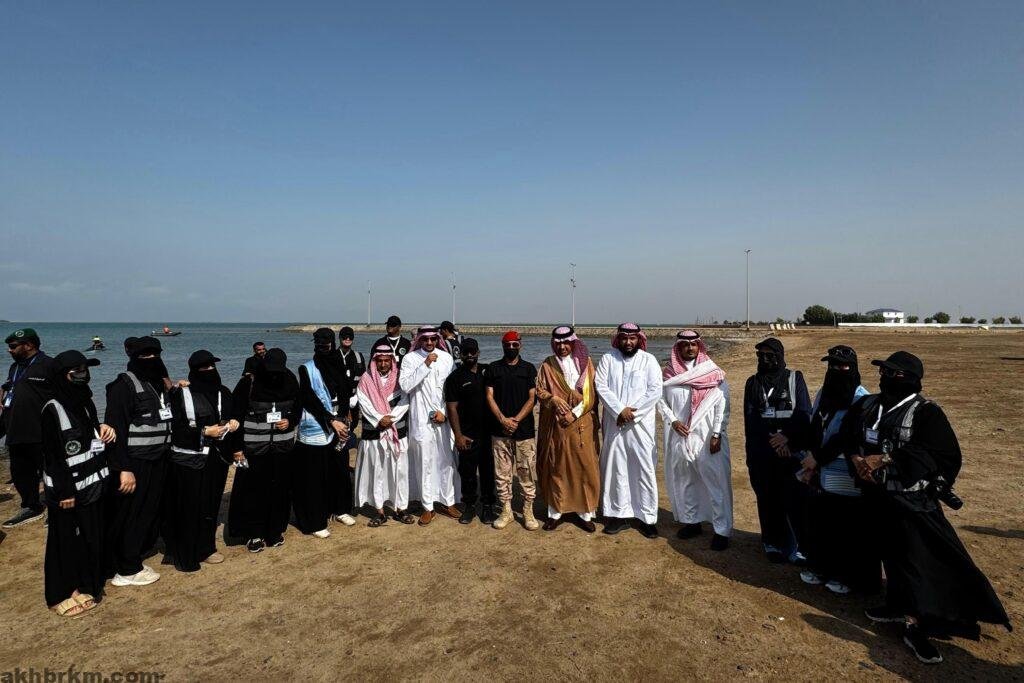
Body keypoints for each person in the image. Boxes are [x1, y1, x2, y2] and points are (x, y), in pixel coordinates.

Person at [837, 351, 1011, 664]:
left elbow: (942, 454)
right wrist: (857, 460)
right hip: (876, 498)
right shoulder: (868, 405)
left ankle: (917, 626)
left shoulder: (927, 413)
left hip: (911, 503)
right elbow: (848, 434)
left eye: (893, 373)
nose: (885, 378)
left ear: (911, 379)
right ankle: (896, 606)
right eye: (883, 372)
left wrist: (887, 459)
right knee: (890, 554)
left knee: (916, 563)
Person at [797, 345, 879, 595]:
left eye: (843, 366)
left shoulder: (861, 399)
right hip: (821, 471)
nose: (837, 370)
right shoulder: (824, 392)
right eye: (832, 365)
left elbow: (847, 437)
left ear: (853, 367)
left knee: (847, 527)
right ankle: (820, 568)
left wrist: (817, 458)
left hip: (846, 473)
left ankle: (846, 576)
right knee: (822, 522)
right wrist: (810, 458)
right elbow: (815, 425)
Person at [39, 350, 116, 617]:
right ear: (63, 376)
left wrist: (103, 429)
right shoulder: (52, 408)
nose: (84, 375)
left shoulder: (85, 400)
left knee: (89, 537)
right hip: (66, 490)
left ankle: (86, 585)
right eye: (78, 371)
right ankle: (60, 593)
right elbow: (52, 456)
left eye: (86, 369)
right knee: (63, 541)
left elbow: (90, 433)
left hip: (92, 484)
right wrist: (64, 492)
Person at [104, 336, 174, 587]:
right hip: (135, 463)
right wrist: (124, 468)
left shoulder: (158, 384)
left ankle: (136, 552)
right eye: (144, 356)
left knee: (149, 511)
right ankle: (127, 568)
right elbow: (117, 431)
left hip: (159, 458)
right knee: (131, 514)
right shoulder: (123, 386)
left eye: (155, 355)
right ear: (134, 358)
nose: (151, 360)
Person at [164, 351, 238, 571]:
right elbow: (173, 427)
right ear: (194, 370)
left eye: (212, 366)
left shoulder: (223, 392)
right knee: (189, 506)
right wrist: (204, 431)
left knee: (211, 505)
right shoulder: (181, 393)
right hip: (189, 459)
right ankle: (185, 554)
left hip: (217, 458)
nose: (209, 371)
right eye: (204, 368)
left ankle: (206, 548)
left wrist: (233, 423)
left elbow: (232, 414)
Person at [658, 330, 732, 550]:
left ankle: (722, 530)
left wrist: (717, 433)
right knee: (686, 481)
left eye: (693, 344)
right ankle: (692, 522)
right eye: (685, 345)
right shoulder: (669, 375)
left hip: (708, 437)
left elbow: (722, 404)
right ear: (678, 348)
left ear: (699, 346)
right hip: (680, 436)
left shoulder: (712, 372)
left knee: (716, 483)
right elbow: (660, 401)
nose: (689, 348)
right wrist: (673, 421)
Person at [742, 337, 812, 564]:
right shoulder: (753, 383)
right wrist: (772, 442)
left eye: (770, 355)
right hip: (763, 452)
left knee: (795, 499)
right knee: (767, 498)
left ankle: (799, 546)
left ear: (780, 356)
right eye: (761, 355)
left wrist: (787, 440)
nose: (765, 359)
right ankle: (771, 542)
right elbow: (751, 420)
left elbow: (804, 413)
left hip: (791, 451)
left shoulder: (794, 378)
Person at [227, 348, 299, 553]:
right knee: (253, 492)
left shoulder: (290, 380)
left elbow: (298, 407)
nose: (274, 374)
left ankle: (274, 530)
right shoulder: (248, 383)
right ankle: (254, 533)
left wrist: (290, 420)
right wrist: (236, 448)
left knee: (279, 490)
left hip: (282, 448)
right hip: (253, 449)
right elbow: (235, 415)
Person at [594, 323, 663, 538]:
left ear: (639, 339)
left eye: (632, 338)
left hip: (641, 426)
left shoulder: (649, 360)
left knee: (644, 469)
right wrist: (619, 411)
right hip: (615, 424)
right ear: (619, 339)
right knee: (616, 468)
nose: (628, 342)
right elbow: (601, 386)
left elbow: (655, 390)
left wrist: (632, 413)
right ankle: (618, 515)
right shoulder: (608, 359)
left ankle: (647, 518)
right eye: (624, 338)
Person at [535, 326, 601, 533]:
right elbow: (539, 390)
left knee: (585, 466)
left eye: (566, 342)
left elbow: (592, 395)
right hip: (557, 424)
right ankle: (555, 513)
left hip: (581, 423)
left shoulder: (586, 363)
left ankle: (585, 514)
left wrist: (575, 413)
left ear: (573, 343)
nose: (562, 347)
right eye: (558, 343)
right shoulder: (547, 365)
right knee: (557, 466)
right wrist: (552, 399)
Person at [293, 328, 352, 538]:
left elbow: (345, 392)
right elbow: (309, 399)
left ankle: (339, 509)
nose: (323, 347)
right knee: (316, 475)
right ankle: (316, 520)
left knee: (339, 469)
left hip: (340, 424)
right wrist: (331, 420)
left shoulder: (338, 363)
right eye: (319, 344)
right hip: (317, 426)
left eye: (326, 344)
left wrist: (343, 417)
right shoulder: (306, 369)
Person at [398, 325, 460, 525]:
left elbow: (451, 389)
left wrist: (444, 413)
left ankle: (448, 501)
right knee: (424, 462)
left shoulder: (446, 358)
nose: (430, 343)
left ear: (437, 339)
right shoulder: (410, 359)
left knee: (446, 460)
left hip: (443, 418)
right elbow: (405, 386)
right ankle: (427, 506)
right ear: (420, 340)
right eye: (425, 339)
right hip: (420, 419)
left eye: (433, 339)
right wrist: (424, 365)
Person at [354, 343, 414, 526]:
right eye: (379, 361)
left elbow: (405, 400)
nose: (383, 364)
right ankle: (379, 511)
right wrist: (380, 419)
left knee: (400, 472)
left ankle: (401, 508)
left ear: (391, 361)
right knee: (377, 472)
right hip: (374, 433)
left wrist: (391, 419)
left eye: (386, 360)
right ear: (374, 361)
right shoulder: (366, 379)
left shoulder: (399, 378)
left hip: (397, 432)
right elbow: (364, 403)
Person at [485, 330, 540, 531]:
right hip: (499, 431)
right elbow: (489, 396)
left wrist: (515, 420)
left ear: (520, 345)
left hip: (524, 431)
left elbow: (532, 398)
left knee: (526, 472)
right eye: (507, 345)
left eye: (514, 345)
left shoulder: (528, 369)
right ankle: (506, 510)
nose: (511, 348)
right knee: (502, 473)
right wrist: (503, 419)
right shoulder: (493, 368)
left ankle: (528, 510)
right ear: (502, 345)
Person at [2, 328, 53, 528]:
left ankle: (56, 508)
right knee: (20, 472)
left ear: (29, 345)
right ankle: (31, 506)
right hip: (15, 429)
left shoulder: (48, 365)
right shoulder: (15, 367)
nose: (9, 350)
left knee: (51, 472)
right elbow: (8, 386)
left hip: (41, 430)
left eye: (13, 346)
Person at [444, 338, 497, 525]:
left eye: (472, 352)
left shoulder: (487, 371)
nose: (469, 355)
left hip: (489, 433)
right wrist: (458, 435)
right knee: (467, 472)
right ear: (460, 354)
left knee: (488, 471)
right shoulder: (454, 378)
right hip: (467, 434)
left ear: (478, 353)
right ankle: (469, 506)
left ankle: (488, 506)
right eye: (465, 352)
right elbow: (452, 408)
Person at [334, 326, 364, 523]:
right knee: (336, 446)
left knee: (346, 443)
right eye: (344, 337)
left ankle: (346, 483)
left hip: (353, 405)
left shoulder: (358, 357)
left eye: (350, 337)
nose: (347, 339)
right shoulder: (332, 356)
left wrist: (354, 402)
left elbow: (362, 380)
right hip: (336, 407)